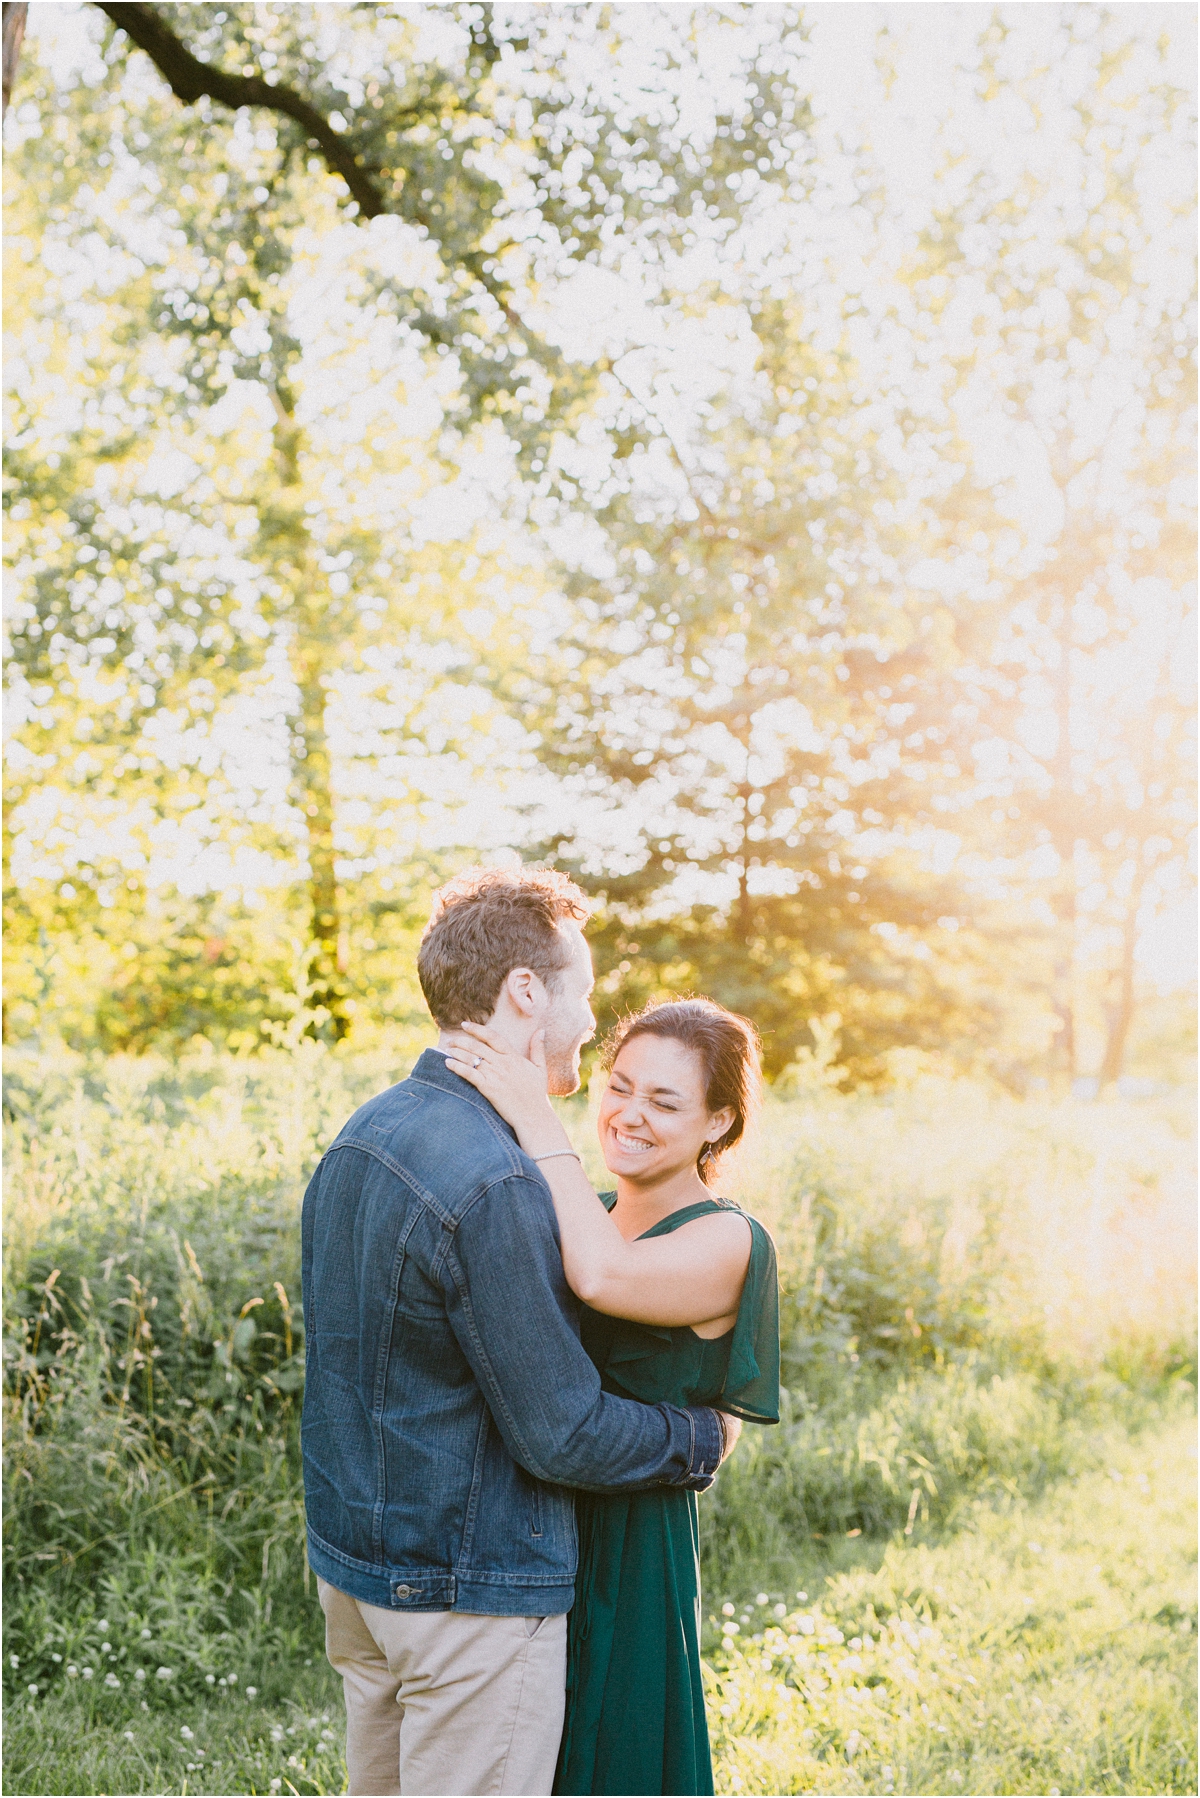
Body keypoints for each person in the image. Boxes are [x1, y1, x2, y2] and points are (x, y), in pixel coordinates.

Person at [300, 867, 742, 1798]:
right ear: (526, 992)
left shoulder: (365, 1131)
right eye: (580, 990)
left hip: (357, 1576)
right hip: (465, 1596)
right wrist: (701, 1436)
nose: (590, 1019)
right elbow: (563, 1432)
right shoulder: (496, 1180)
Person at [444, 997, 780, 1797]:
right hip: (525, 1530)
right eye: (620, 1086)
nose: (629, 1115)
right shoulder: (585, 1212)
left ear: (717, 1122)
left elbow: (601, 1278)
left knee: (612, 1754)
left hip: (631, 1546)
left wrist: (536, 1120)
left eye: (664, 1102)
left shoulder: (727, 1239)